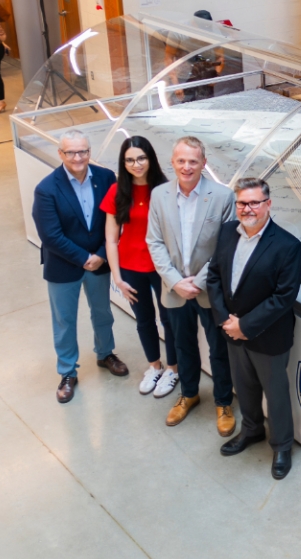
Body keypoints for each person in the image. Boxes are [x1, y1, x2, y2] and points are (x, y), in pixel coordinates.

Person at [207, 177, 301, 480]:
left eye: (254, 203)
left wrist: (245, 326)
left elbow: (284, 297)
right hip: (232, 331)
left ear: (268, 205)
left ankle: (282, 446)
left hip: (268, 336)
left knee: (275, 394)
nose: (247, 209)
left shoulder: (288, 246)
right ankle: (251, 431)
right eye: (242, 203)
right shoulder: (226, 233)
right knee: (244, 387)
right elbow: (213, 276)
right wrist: (226, 321)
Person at [146, 136, 237, 436]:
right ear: (172, 162)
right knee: (182, 346)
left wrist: (196, 283)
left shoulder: (223, 197)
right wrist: (174, 282)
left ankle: (223, 402)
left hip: (209, 290)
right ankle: (189, 394)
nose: (187, 167)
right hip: (174, 289)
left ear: (204, 163)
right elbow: (154, 242)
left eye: (193, 161)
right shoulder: (159, 195)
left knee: (218, 349)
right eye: (181, 161)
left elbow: (225, 248)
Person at [32, 130, 128, 403]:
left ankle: (105, 353)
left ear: (89, 152)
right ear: (60, 154)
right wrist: (84, 257)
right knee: (64, 320)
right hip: (64, 266)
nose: (78, 157)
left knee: (102, 312)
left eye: (83, 151)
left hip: (98, 261)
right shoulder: (47, 188)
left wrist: (100, 254)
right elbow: (50, 235)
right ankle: (67, 372)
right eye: (71, 152)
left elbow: (114, 220)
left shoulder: (106, 178)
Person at [101, 137, 180, 398]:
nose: (137, 164)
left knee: (169, 319)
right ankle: (154, 366)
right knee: (144, 320)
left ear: (151, 159)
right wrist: (117, 277)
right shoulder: (117, 192)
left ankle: (172, 369)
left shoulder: (166, 189)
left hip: (161, 267)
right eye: (130, 160)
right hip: (130, 267)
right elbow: (111, 238)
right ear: (123, 163)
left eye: (141, 158)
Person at [163, 10, 224, 103]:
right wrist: (176, 84)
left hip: (205, 71)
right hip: (184, 73)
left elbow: (220, 57)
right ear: (194, 23)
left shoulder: (214, 31)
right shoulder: (178, 31)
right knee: (185, 106)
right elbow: (169, 58)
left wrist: (216, 76)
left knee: (207, 104)